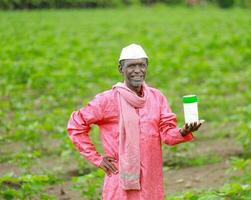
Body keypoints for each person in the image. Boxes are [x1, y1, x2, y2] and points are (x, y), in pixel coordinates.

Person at [67, 43, 203, 200]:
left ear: (146, 67)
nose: (137, 70)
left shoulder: (156, 97)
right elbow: (76, 125)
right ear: (121, 69)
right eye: (131, 66)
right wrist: (96, 158)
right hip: (121, 180)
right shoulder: (107, 100)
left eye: (141, 65)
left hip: (151, 179)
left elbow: (167, 135)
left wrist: (184, 131)